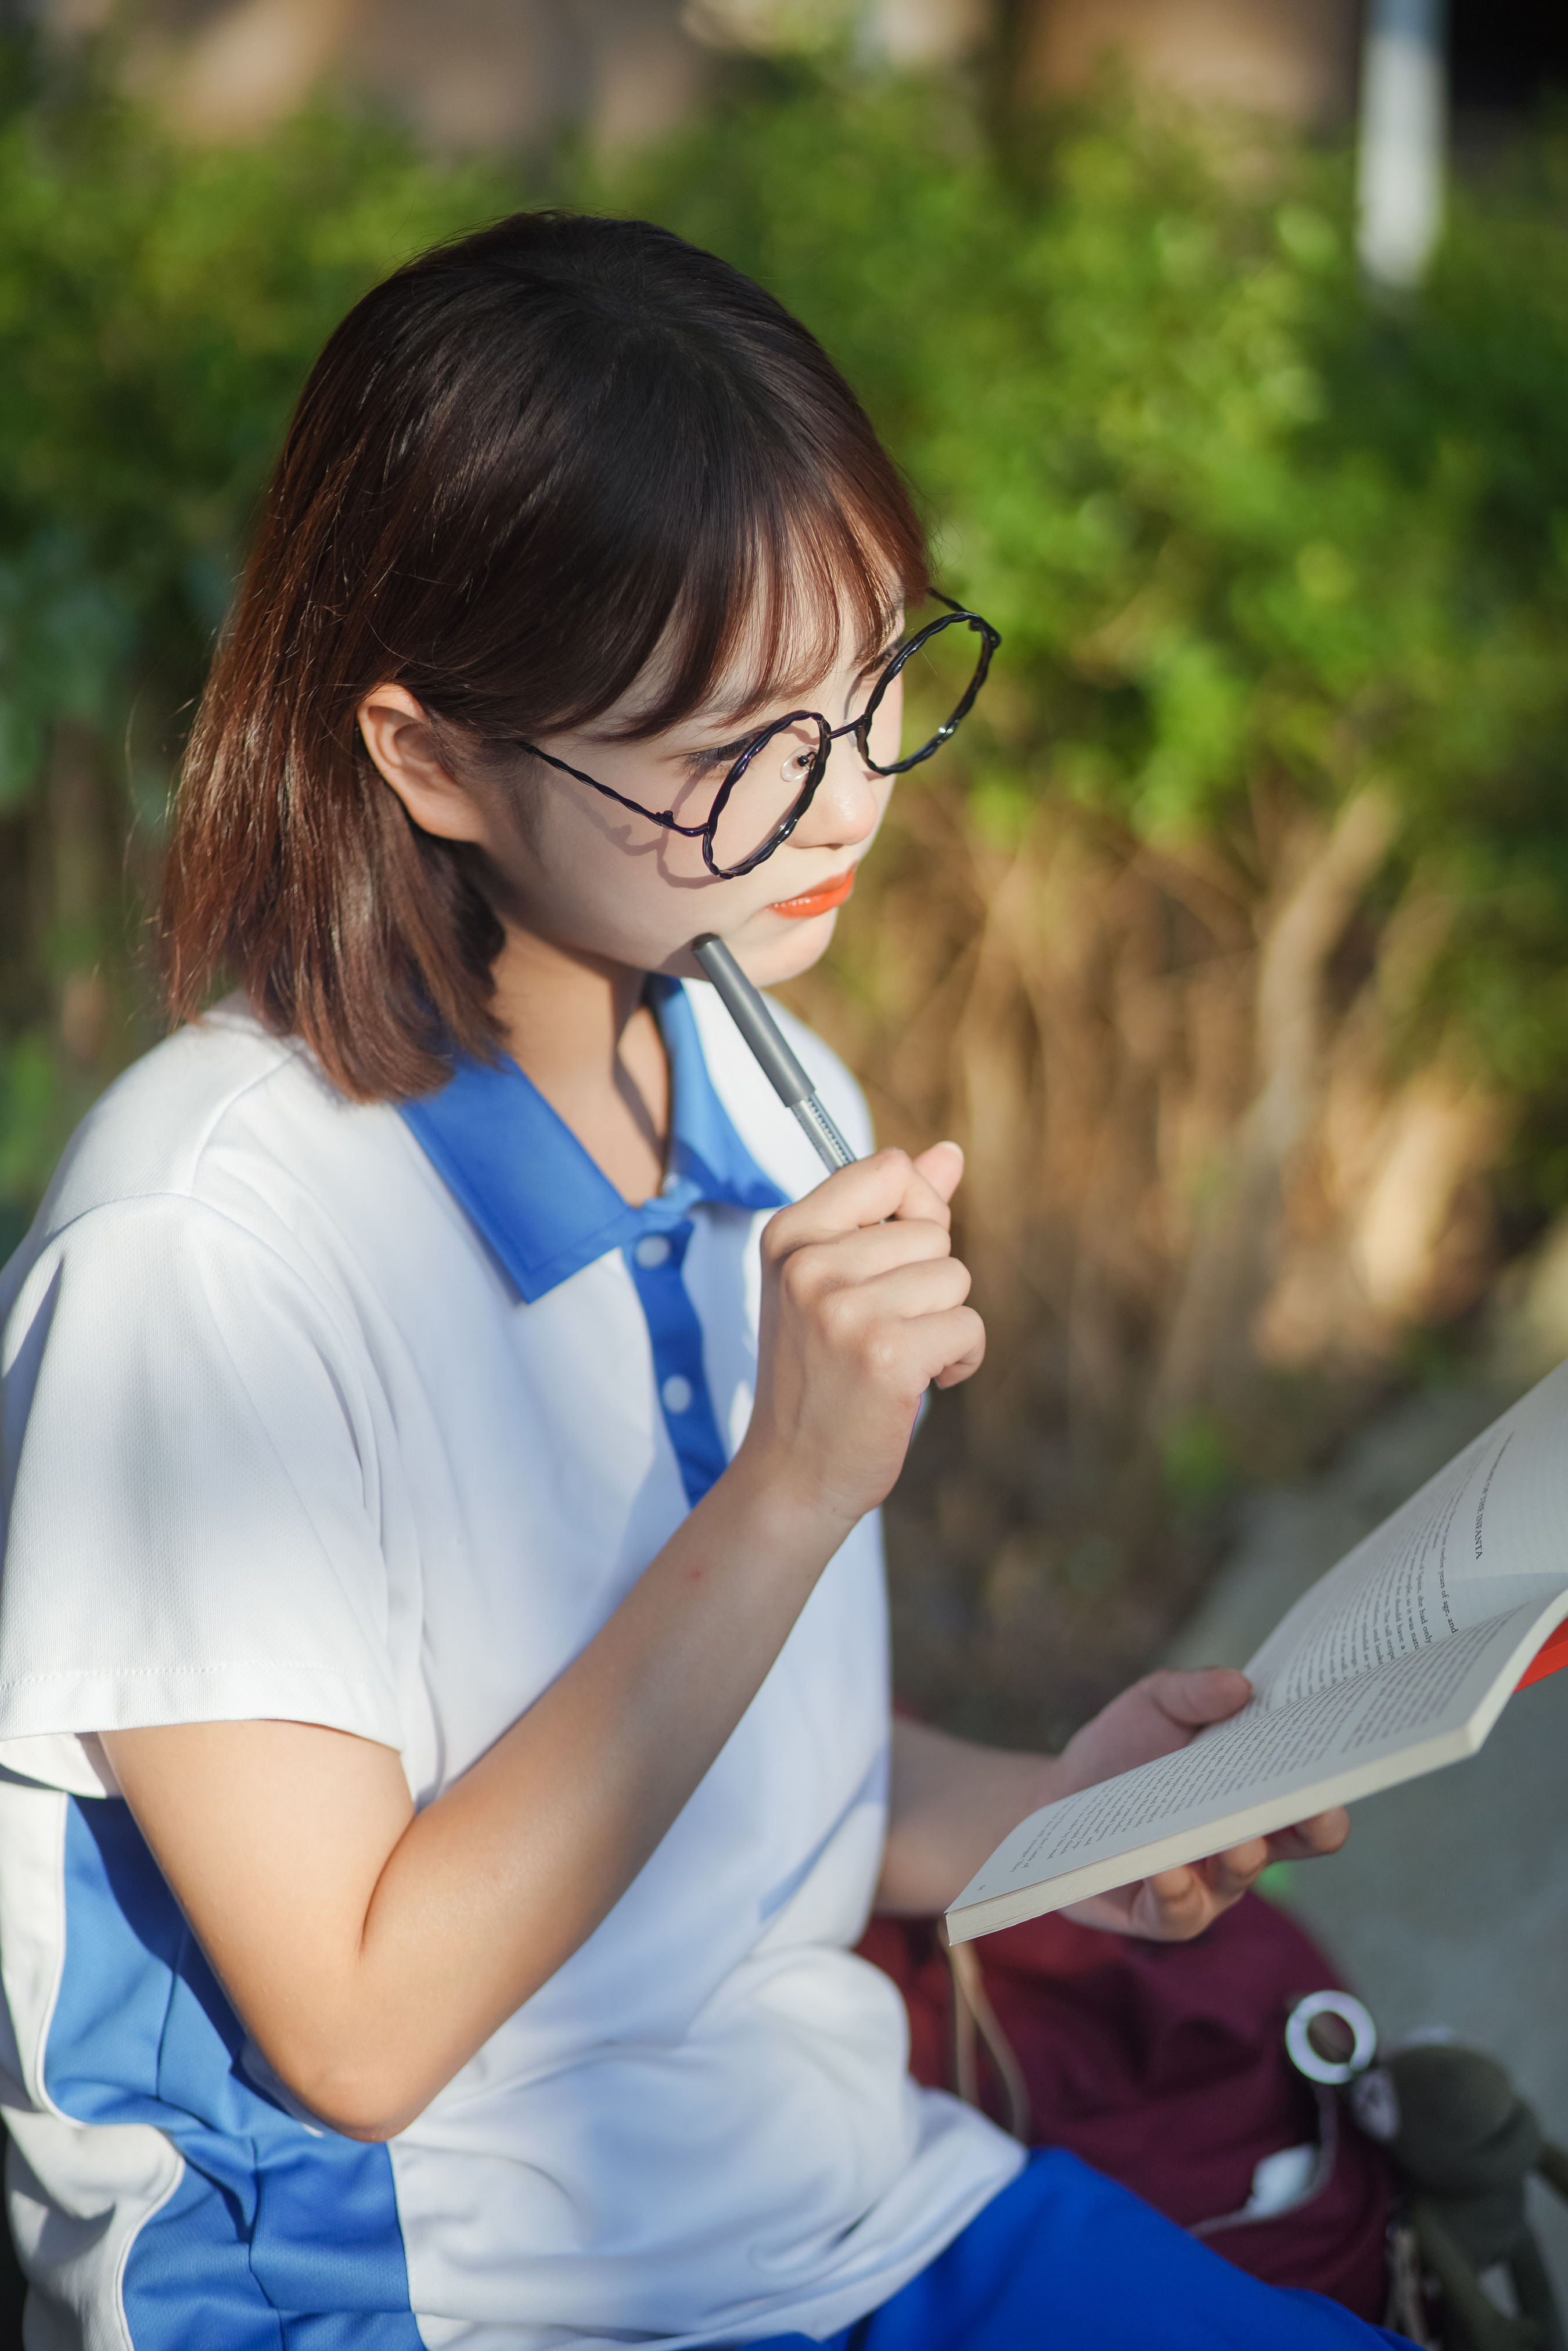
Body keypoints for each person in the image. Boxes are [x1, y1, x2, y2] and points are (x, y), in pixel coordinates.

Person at [0, 212, 1408, 2350]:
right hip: (437, 2297)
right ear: (430, 755)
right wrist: (788, 1494)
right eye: (729, 744)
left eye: (870, 686)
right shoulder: (203, 1250)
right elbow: (364, 2027)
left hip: (840, 2202)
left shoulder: (759, 1071)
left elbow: (739, 1782)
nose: (839, 797)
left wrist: (1062, 1819)